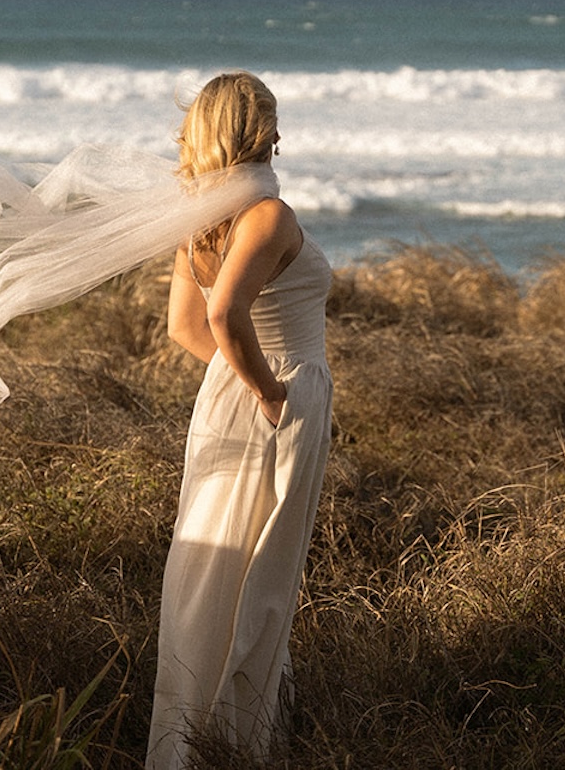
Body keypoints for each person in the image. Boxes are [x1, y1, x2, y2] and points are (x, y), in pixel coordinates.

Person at [148, 71, 334, 769]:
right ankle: (233, 747)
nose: (281, 134)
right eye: (273, 121)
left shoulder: (201, 222)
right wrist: (268, 388)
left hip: (229, 398)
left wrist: (235, 377)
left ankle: (194, 743)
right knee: (258, 577)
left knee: (210, 570)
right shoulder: (269, 216)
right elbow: (221, 317)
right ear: (257, 129)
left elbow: (182, 329)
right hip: (275, 398)